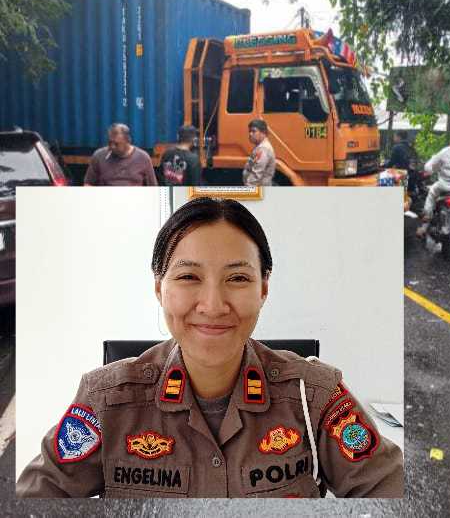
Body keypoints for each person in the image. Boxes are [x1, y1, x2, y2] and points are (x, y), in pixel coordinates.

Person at [15, 197, 404, 497]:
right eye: (188, 276)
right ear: (159, 288)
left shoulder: (315, 397)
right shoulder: (105, 402)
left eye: (237, 277)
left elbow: (389, 489)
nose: (214, 305)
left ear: (263, 289)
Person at [84, 123, 158, 186]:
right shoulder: (99, 156)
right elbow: (88, 184)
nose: (112, 147)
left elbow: (153, 187)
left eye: (116, 144)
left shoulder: (143, 157)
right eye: (110, 143)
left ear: (128, 141)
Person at [242, 119, 276, 186]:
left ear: (263, 132)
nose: (250, 134)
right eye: (249, 131)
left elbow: (256, 174)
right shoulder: (260, 147)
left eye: (254, 131)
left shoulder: (263, 149)